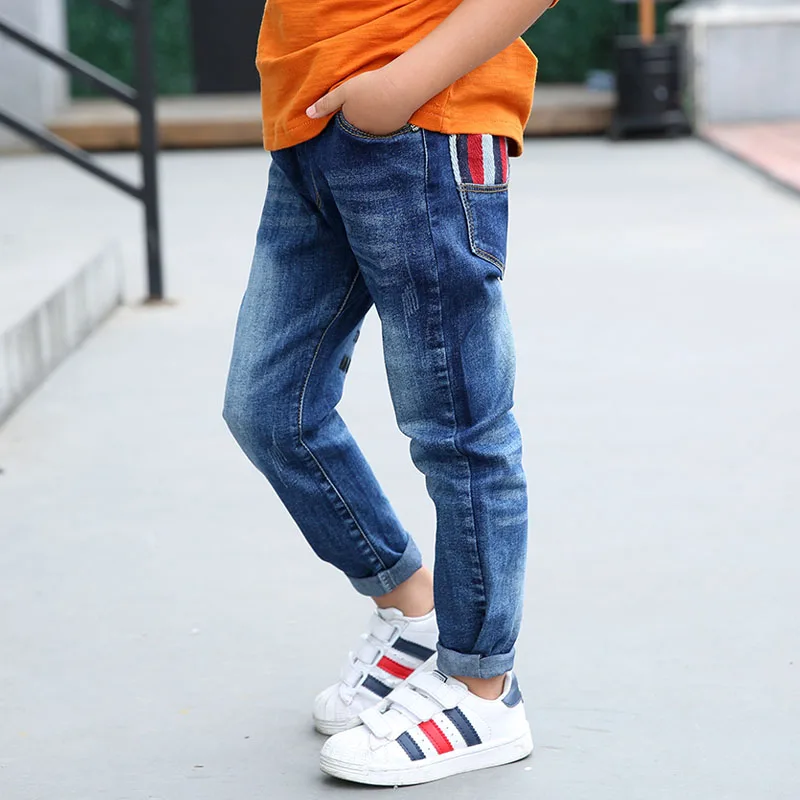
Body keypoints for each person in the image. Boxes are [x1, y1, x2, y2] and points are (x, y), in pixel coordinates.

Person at [223, 0, 559, 786]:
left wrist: (399, 86)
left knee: (459, 430)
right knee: (269, 410)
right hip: (311, 124)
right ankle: (416, 613)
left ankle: (482, 688)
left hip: (419, 118)